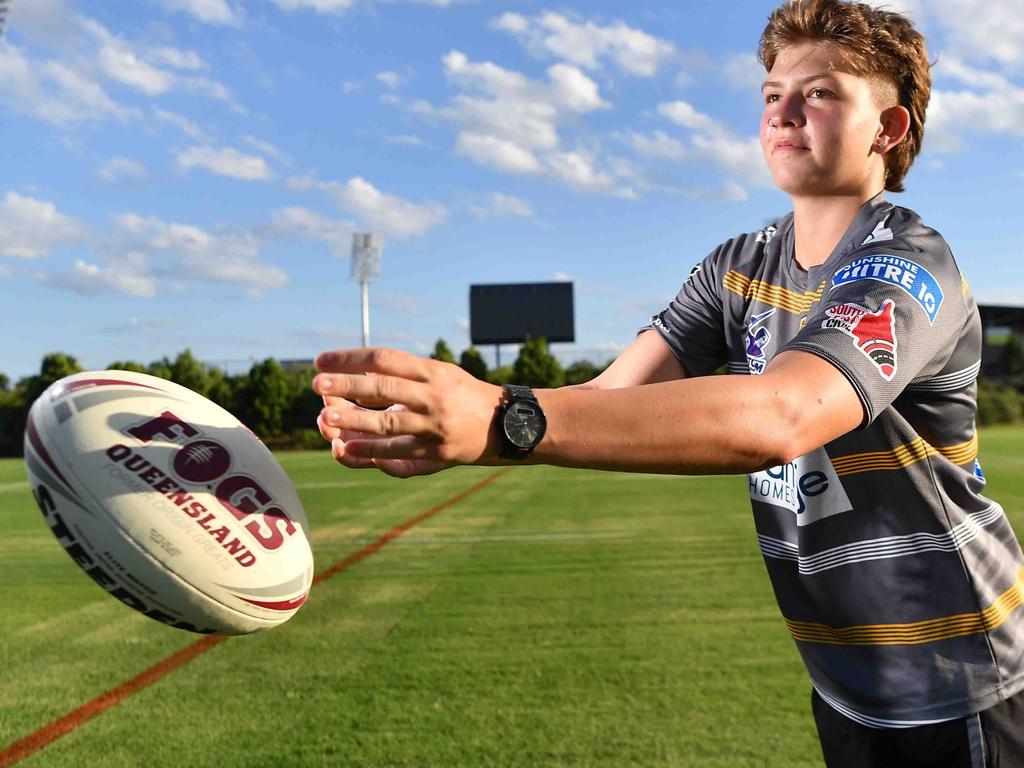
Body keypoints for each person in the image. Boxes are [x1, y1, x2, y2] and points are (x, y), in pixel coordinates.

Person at [311, 1, 1024, 764]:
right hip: (846, 679)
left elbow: (779, 414)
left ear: (888, 129)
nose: (783, 112)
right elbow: (609, 400)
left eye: (818, 93)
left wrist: (501, 416)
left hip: (962, 678)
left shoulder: (910, 264)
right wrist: (455, 429)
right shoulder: (739, 264)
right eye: (770, 94)